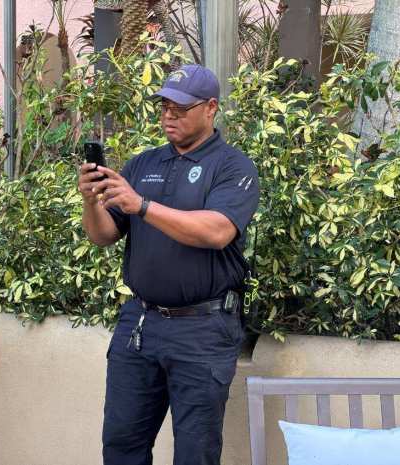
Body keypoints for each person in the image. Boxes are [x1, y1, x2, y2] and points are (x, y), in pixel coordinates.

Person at [78, 64, 259, 465]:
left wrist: (141, 205)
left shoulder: (232, 166)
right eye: (163, 106)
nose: (168, 115)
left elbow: (216, 232)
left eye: (179, 107)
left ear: (211, 108)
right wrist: (92, 200)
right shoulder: (144, 164)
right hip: (140, 325)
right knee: (122, 445)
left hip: (203, 330)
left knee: (195, 452)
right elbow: (104, 235)